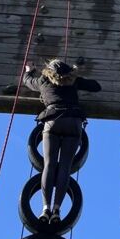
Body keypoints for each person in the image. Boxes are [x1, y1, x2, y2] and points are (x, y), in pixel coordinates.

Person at [23, 59, 101, 224]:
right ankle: (57, 209)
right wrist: (77, 77)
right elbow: (96, 86)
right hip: (73, 122)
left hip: (53, 120)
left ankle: (45, 208)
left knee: (49, 164)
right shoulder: (73, 81)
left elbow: (28, 82)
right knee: (65, 166)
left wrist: (29, 70)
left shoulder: (43, 80)